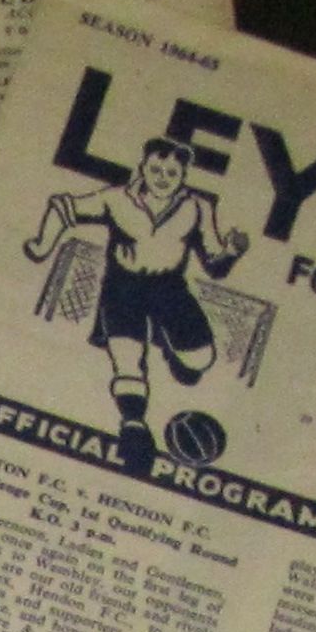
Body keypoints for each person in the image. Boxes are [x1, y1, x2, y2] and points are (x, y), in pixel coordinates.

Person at [28, 134, 251, 473]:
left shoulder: (197, 208)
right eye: (156, 170)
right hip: (124, 289)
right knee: (127, 362)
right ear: (143, 167)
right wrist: (41, 246)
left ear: (183, 176)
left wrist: (232, 252)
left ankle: (177, 355)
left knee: (200, 360)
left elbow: (214, 265)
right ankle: (134, 428)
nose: (162, 178)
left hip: (169, 290)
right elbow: (64, 206)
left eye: (171, 173)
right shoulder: (116, 199)